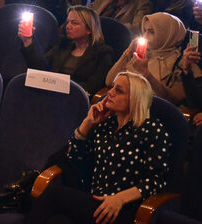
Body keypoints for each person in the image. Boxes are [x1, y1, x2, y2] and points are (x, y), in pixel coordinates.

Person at [29, 72, 171, 224]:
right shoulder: (107, 124)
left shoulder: (152, 130)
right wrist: (87, 124)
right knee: (58, 220)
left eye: (119, 90)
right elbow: (76, 161)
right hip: (95, 201)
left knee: (52, 195)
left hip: (124, 209)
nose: (109, 93)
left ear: (135, 99)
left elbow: (156, 181)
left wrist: (120, 199)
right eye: (112, 87)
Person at [22, 4, 114, 95]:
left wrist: (60, 87)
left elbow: (92, 87)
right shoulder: (62, 45)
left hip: (74, 100)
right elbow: (39, 69)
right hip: (49, 94)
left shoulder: (103, 53)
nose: (68, 26)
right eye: (68, 22)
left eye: (74, 23)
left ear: (89, 29)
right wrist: (27, 42)